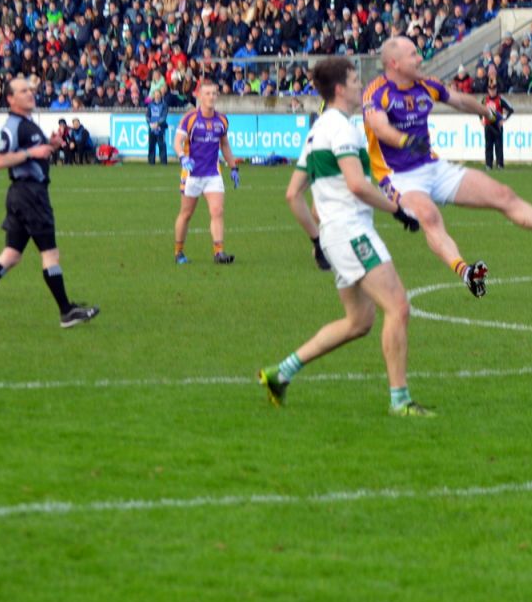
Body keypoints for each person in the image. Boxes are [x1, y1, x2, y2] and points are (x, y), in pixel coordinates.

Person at [362, 37, 532, 298]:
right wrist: (406, 141)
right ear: (394, 63)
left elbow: (461, 101)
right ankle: (467, 273)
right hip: (398, 177)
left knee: (503, 194)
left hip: (432, 166)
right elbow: (380, 128)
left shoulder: (426, 84)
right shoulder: (376, 92)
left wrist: (488, 114)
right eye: (413, 55)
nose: (420, 58)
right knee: (429, 217)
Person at [258, 57, 430, 417]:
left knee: (359, 322)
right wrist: (398, 211)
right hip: (352, 230)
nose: (359, 84)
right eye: (354, 79)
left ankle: (281, 373)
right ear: (340, 89)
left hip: (337, 235)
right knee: (397, 307)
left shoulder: (319, 129)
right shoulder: (342, 129)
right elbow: (357, 184)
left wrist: (317, 240)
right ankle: (400, 401)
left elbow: (293, 194)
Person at [0, 78, 99, 329]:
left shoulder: (27, 124)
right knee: (50, 254)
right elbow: (0, 161)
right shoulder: (13, 126)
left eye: (30, 89)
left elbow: (37, 152)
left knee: (11, 255)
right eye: (23, 91)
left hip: (24, 196)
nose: (30, 93)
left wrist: (51, 145)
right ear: (11, 99)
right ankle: (66, 312)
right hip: (30, 196)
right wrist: (31, 153)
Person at [173, 81, 240, 264]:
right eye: (208, 93)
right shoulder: (191, 119)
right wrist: (182, 157)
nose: (211, 97)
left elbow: (224, 144)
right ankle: (179, 251)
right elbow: (177, 141)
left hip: (213, 174)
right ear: (200, 96)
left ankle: (219, 252)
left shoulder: (222, 120)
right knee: (186, 214)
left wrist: (233, 167)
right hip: (192, 175)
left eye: (214, 93)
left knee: (217, 211)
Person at [288, 113, 335, 273]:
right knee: (315, 208)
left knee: (318, 210)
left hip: (328, 151)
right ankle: (321, 246)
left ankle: (323, 246)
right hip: (321, 151)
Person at [482, 80, 515, 170]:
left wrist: (504, 119)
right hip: (488, 125)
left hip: (497, 125)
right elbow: (479, 110)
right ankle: (488, 164)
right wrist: (481, 119)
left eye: (493, 89)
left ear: (496, 90)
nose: (492, 91)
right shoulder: (485, 99)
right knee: (488, 146)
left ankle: (500, 164)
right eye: (490, 89)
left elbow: (511, 110)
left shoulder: (500, 99)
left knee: (498, 145)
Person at [146, 87, 169, 165]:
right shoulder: (150, 105)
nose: (157, 96)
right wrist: (150, 123)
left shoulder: (164, 105)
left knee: (161, 145)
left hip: (160, 128)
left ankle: (163, 162)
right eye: (155, 94)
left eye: (158, 94)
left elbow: (164, 116)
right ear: (153, 95)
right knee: (151, 145)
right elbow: (147, 116)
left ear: (160, 95)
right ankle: (151, 162)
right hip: (152, 128)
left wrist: (157, 124)